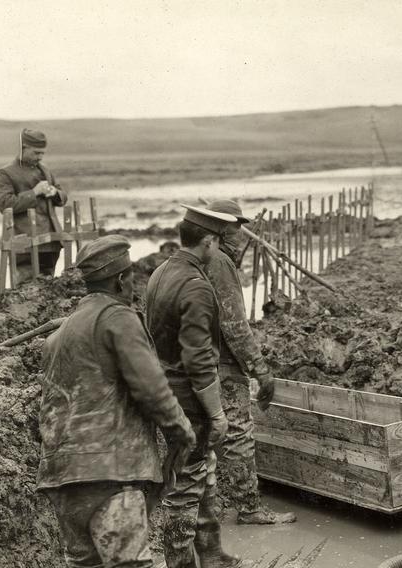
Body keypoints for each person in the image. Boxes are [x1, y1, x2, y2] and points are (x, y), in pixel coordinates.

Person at [37, 235, 195, 568]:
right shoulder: (118, 318)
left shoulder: (58, 336)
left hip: (64, 481)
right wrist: (182, 432)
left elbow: (50, 409)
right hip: (112, 475)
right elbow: (152, 389)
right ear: (121, 280)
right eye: (131, 280)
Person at [145, 206, 246, 568]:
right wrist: (217, 413)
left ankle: (211, 552)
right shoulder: (197, 287)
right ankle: (181, 562)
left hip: (165, 392)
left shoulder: (160, 273)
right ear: (209, 242)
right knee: (186, 486)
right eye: (218, 242)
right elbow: (200, 361)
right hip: (190, 400)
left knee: (202, 472)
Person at [206, 200, 295, 525]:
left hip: (196, 364)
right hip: (222, 364)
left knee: (206, 435)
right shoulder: (219, 263)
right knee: (238, 432)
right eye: (234, 232)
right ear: (219, 232)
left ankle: (211, 507)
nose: (239, 239)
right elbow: (235, 326)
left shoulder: (191, 260)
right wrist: (260, 370)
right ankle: (248, 507)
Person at [0, 128, 68, 282]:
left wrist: (54, 192)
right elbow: (4, 204)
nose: (40, 157)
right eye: (36, 153)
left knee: (48, 293)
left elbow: (63, 197)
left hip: (51, 242)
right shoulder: (6, 173)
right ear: (24, 148)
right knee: (26, 293)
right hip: (25, 244)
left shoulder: (45, 170)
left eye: (42, 153)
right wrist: (34, 193)